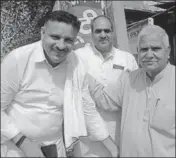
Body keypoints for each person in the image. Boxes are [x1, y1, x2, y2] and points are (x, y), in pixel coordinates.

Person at [1, 10, 118, 157]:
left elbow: (88, 109)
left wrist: (112, 148)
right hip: (15, 147)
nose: (61, 46)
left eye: (68, 40)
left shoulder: (76, 64)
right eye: (55, 37)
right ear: (43, 33)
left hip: (55, 148)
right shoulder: (18, 60)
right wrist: (23, 142)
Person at [90, 25, 175, 157]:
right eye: (144, 49)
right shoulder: (128, 79)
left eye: (156, 48)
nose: (149, 54)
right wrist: (80, 74)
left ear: (168, 51)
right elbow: (104, 99)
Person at [74, 15, 138, 157]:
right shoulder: (78, 58)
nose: (103, 35)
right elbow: (81, 102)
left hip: (121, 138)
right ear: (91, 33)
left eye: (107, 31)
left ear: (112, 32)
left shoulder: (127, 59)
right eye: (98, 31)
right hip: (88, 143)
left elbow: (135, 99)